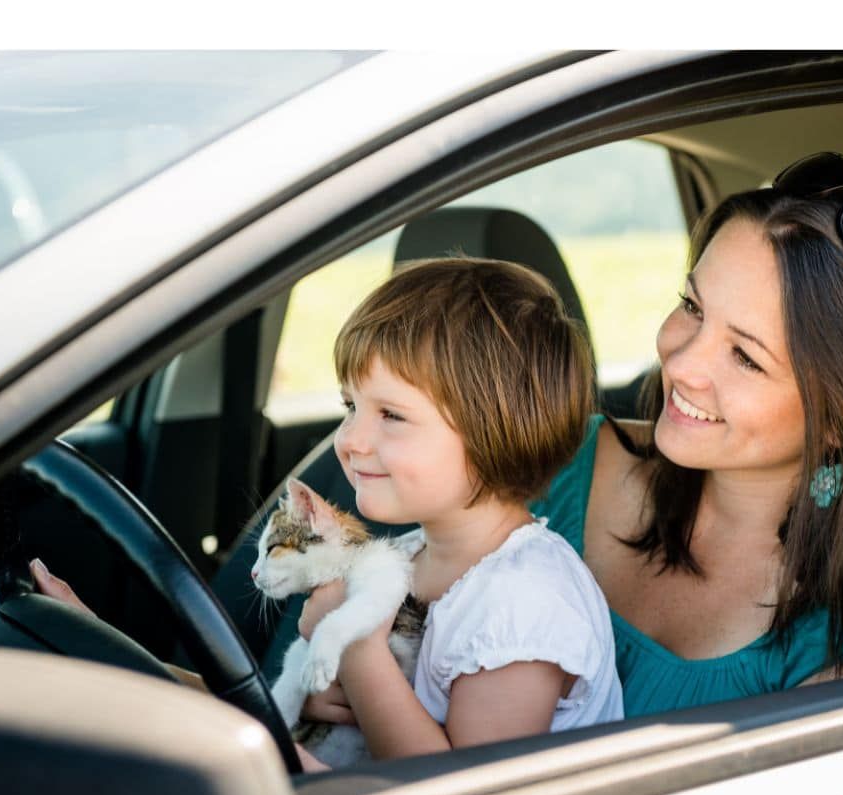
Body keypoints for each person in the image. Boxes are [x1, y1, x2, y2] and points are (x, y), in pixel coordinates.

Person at [37, 257, 625, 765]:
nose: (350, 439)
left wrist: (355, 645)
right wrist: (114, 656)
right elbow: (261, 700)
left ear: (496, 432)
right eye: (350, 406)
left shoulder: (524, 601)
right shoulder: (406, 555)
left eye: (390, 415)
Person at [514, 151, 843, 716]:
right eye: (692, 305)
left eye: (745, 357)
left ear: (839, 420)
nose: (680, 365)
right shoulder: (558, 461)